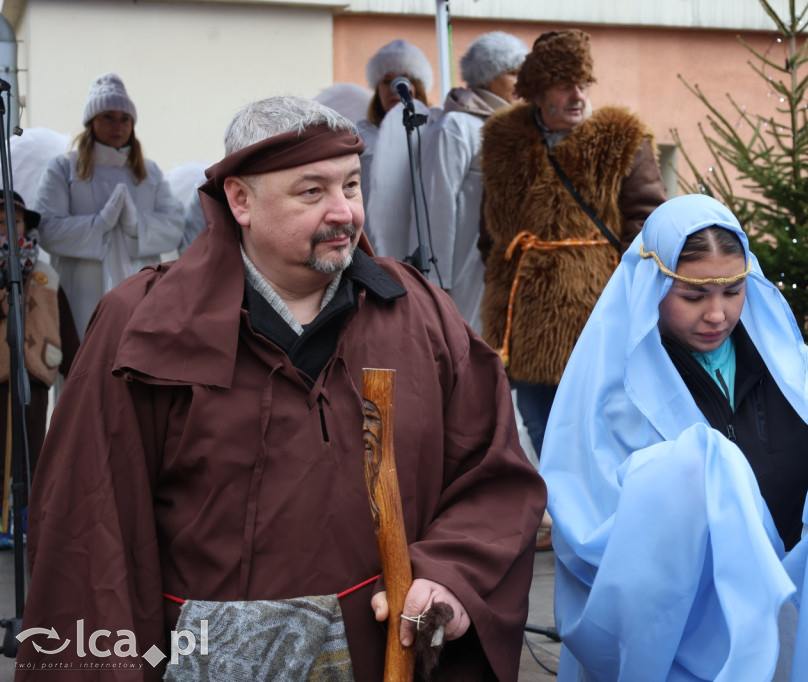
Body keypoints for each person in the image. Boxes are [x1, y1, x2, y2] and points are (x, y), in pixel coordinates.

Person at [17, 96, 546, 680]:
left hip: (381, 655)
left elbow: (492, 475)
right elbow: (86, 532)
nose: (343, 212)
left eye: (351, 185)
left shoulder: (418, 313)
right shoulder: (143, 326)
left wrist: (450, 574)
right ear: (240, 200)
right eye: (312, 192)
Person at [539, 194, 808, 680]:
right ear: (653, 285)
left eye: (733, 290)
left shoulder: (779, 363)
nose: (717, 315)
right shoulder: (614, 390)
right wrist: (692, 475)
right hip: (681, 629)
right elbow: (591, 522)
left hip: (783, 616)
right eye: (693, 295)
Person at [479, 28, 665, 459]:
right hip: (522, 317)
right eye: (565, 86)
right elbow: (488, 232)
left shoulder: (622, 138)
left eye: (583, 84)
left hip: (597, 309)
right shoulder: (502, 140)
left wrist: (621, 287)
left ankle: (606, 513)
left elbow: (647, 220)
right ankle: (562, 512)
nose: (578, 95)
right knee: (539, 422)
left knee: (599, 422)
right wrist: (507, 278)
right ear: (538, 93)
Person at [34, 72, 185, 340]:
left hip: (141, 291)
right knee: (84, 361)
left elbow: (174, 225)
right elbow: (47, 228)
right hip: (81, 293)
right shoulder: (63, 168)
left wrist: (136, 226)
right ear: (92, 121)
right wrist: (99, 225)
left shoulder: (148, 172)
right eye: (108, 116)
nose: (118, 125)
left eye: (124, 118)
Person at [421, 31, 529, 332]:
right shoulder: (457, 126)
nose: (521, 83)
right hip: (465, 269)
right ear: (487, 76)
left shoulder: (521, 128)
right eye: (512, 73)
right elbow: (437, 202)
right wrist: (437, 282)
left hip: (509, 268)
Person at [0, 191, 78, 491]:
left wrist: (77, 367)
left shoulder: (47, 275)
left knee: (33, 447)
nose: (7, 228)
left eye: (14, 221)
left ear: (25, 226)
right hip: (1, 374)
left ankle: (27, 518)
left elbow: (64, 323)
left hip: (35, 372)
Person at [358, 38, 433, 238]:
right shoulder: (358, 135)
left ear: (417, 87)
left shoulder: (434, 131)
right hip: (373, 243)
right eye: (386, 80)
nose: (394, 88)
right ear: (377, 89)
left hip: (419, 240)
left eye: (403, 80)